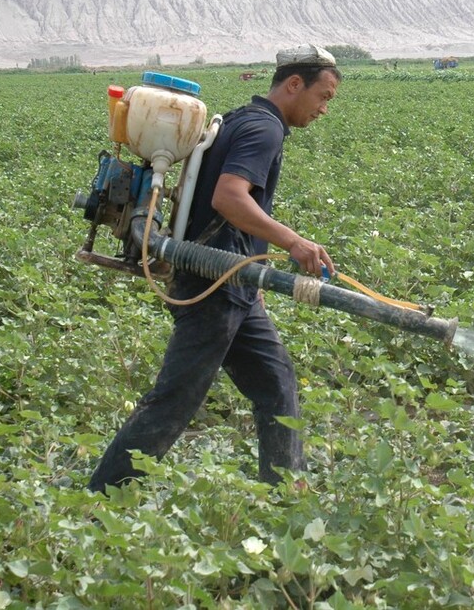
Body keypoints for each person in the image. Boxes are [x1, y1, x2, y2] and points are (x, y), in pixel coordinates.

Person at [88, 44, 340, 492]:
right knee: (174, 400)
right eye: (323, 97)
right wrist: (293, 241)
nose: (323, 109)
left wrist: (251, 269)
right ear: (294, 84)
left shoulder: (242, 117)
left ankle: (287, 494)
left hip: (233, 280)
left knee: (276, 382)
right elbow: (229, 197)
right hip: (212, 283)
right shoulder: (265, 130)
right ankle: (99, 499)